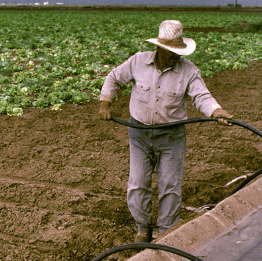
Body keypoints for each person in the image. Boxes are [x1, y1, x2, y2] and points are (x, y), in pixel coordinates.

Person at [97, 20, 233, 243]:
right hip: (139, 133)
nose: (175, 56)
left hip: (171, 135)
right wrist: (105, 103)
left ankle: (165, 232)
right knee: (138, 182)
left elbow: (201, 96)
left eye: (178, 52)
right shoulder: (138, 61)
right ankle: (143, 229)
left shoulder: (188, 70)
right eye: (171, 52)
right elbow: (113, 77)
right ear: (159, 48)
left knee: (170, 185)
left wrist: (216, 111)